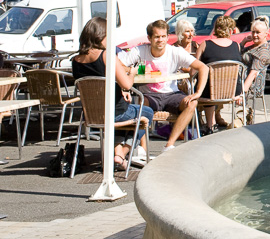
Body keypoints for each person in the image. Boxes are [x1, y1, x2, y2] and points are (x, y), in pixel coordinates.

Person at [71, 16, 154, 168]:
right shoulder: (106, 56)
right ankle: (123, 152)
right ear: (100, 36)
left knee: (126, 115)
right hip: (115, 112)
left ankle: (117, 154)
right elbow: (128, 84)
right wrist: (133, 72)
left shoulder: (75, 60)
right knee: (146, 112)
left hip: (92, 115)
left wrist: (121, 90)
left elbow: (96, 83)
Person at [125, 19, 209, 151]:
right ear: (149, 38)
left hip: (171, 94)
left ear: (168, 37)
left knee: (192, 103)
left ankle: (169, 145)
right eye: (157, 37)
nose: (160, 40)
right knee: (140, 102)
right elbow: (118, 64)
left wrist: (197, 93)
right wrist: (133, 70)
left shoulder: (175, 51)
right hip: (149, 95)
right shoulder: (140, 51)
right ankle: (142, 148)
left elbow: (203, 68)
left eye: (163, 36)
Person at [199, 15, 241, 132]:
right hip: (232, 91)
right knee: (211, 83)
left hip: (210, 92)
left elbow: (194, 69)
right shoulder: (236, 45)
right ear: (231, 30)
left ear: (216, 28)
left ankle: (209, 125)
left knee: (206, 82)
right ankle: (213, 122)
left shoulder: (205, 45)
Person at [240, 18, 270, 124]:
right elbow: (237, 54)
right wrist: (244, 41)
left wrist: (242, 92)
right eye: (253, 32)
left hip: (252, 86)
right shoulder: (254, 46)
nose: (254, 35)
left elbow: (253, 73)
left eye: (258, 32)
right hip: (240, 81)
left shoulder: (263, 52)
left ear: (266, 34)